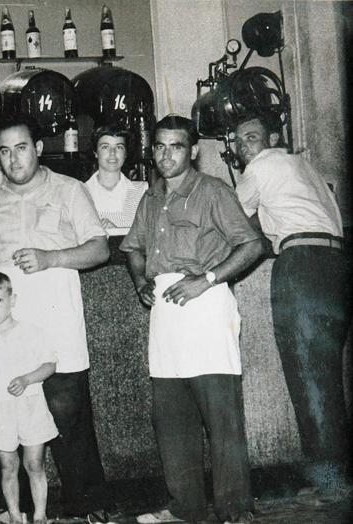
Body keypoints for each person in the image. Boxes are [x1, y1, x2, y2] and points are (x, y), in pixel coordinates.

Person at [0, 115, 112, 523]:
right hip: (6, 333)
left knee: (68, 415)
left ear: (39, 148)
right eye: (4, 151)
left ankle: (88, 507)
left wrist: (52, 258)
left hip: (56, 324)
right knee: (6, 420)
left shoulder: (69, 190)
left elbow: (100, 249)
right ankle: (13, 512)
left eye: (21, 148)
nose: (13, 159)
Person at [120, 115, 264, 524]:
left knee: (221, 417)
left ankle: (236, 510)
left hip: (206, 304)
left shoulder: (213, 191)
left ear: (193, 151)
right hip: (165, 314)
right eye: (160, 147)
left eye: (176, 146)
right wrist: (138, 280)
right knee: (172, 418)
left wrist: (206, 279)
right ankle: (185, 507)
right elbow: (132, 248)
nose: (167, 155)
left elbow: (252, 244)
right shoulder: (150, 198)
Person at [232, 111, 350, 490]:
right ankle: (337, 474)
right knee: (331, 376)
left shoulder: (262, 166)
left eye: (250, 136)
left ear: (270, 139)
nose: (243, 145)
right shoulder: (305, 166)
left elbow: (230, 218)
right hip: (336, 266)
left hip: (301, 265)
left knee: (308, 376)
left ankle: (329, 483)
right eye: (238, 140)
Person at [0, 270, 58, 524]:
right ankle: (13, 515)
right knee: (8, 467)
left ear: (13, 300)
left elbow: (50, 364)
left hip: (30, 405)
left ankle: (40, 516)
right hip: (0, 409)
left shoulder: (31, 332)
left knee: (34, 463)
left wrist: (27, 379)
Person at [84, 124, 148, 230]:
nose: (112, 153)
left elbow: (147, 238)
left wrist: (117, 233)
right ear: (95, 152)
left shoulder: (141, 191)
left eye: (119, 147)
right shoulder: (81, 191)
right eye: (105, 147)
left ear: (126, 153)